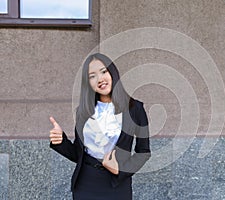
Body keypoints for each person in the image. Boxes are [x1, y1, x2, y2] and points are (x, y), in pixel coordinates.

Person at [49, 53, 151, 200]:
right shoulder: (83, 111)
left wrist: (120, 170)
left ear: (113, 73)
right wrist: (60, 141)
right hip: (86, 183)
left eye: (104, 72)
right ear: (88, 82)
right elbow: (79, 154)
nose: (100, 79)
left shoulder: (135, 108)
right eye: (92, 76)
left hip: (116, 184)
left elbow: (144, 152)